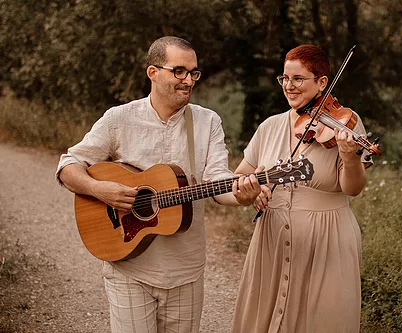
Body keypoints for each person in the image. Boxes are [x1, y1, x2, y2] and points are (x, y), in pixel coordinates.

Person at [55, 36, 262, 333]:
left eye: (193, 73)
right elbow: (68, 165)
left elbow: (217, 180)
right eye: (179, 71)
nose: (188, 80)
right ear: (153, 72)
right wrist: (100, 190)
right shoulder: (119, 119)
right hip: (128, 264)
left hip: (185, 269)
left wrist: (242, 195)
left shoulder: (207, 122)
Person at [230, 44, 373, 333]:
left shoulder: (344, 124)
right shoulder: (270, 126)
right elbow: (241, 176)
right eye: (285, 79)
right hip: (271, 238)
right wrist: (252, 191)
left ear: (322, 82)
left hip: (328, 240)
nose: (289, 86)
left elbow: (353, 188)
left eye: (298, 79)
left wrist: (348, 155)